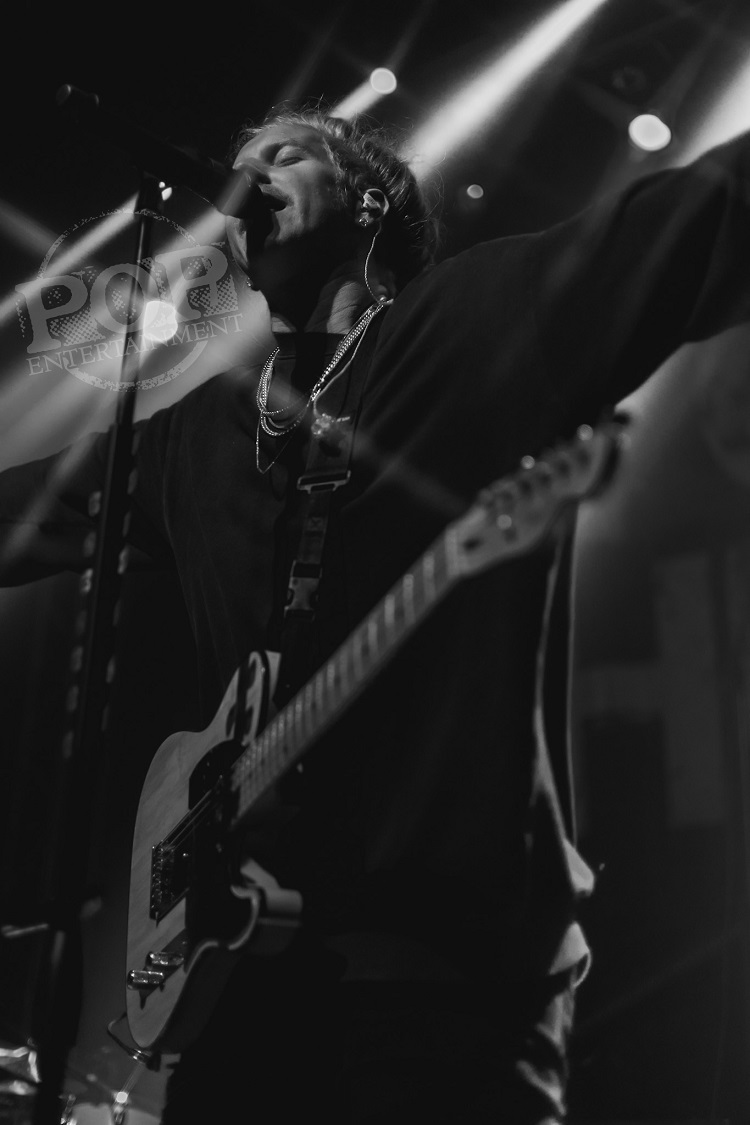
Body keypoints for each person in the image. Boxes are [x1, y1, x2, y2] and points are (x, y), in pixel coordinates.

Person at [2, 104, 750, 1124]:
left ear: (365, 202)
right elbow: (25, 514)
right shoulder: (194, 434)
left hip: (442, 980)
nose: (249, 176)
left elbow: (694, 221)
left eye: (284, 155)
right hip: (241, 976)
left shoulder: (475, 321)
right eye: (240, 162)